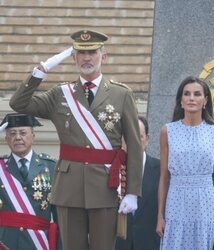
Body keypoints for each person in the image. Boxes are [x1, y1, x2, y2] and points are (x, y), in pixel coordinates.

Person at [9, 29, 143, 250]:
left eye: (92, 52)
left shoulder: (121, 94)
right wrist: (42, 70)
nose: (87, 58)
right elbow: (19, 104)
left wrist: (132, 192)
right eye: (80, 53)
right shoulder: (60, 94)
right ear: (73, 58)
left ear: (104, 56)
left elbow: (135, 146)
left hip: (105, 187)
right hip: (68, 188)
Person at [156, 76, 214, 249]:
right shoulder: (168, 131)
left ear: (205, 100)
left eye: (197, 94)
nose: (191, 98)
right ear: (181, 100)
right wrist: (160, 215)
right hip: (176, 202)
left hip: (205, 203)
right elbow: (164, 177)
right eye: (186, 94)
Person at [0, 113, 59, 250]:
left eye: (23, 133)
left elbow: (59, 213)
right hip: (6, 242)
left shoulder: (51, 166)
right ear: (7, 139)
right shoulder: (1, 167)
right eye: (12, 133)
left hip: (39, 242)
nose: (18, 137)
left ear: (33, 136)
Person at [116, 116, 160, 250]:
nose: (133, 141)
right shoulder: (112, 169)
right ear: (122, 140)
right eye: (129, 136)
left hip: (150, 243)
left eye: (139, 136)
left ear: (147, 139)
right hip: (118, 243)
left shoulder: (161, 170)